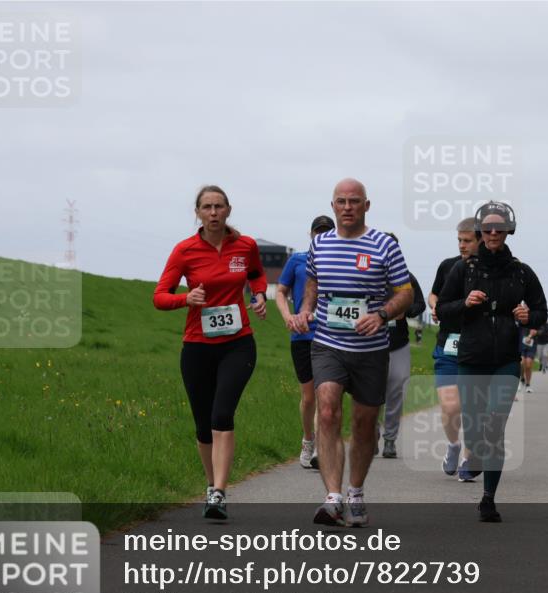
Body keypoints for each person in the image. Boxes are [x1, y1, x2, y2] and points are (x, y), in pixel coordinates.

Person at [289, 178, 413, 527]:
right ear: (332, 206)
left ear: (366, 206)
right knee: (326, 408)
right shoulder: (320, 245)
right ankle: (332, 497)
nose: (347, 207)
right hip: (328, 343)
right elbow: (313, 283)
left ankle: (355, 490)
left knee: (363, 423)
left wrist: (382, 315)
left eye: (354, 201)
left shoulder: (384, 246)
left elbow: (405, 293)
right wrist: (306, 310)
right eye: (341, 201)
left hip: (371, 349)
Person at [153, 185, 268, 520]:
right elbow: (160, 296)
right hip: (197, 347)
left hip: (238, 342)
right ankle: (211, 486)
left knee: (222, 414)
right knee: (203, 424)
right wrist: (184, 299)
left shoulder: (245, 246)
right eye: (207, 207)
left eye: (219, 206)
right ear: (198, 213)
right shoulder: (184, 251)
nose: (214, 212)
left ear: (229, 210)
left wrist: (259, 296)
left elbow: (257, 274)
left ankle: (219, 490)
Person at [436, 201, 547, 521]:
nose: (494, 233)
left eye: (500, 228)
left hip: (505, 361)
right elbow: (443, 309)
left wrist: (529, 316)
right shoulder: (464, 269)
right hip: (471, 357)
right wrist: (465, 303)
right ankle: (475, 454)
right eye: (488, 228)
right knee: (474, 430)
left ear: (509, 231)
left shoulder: (521, 272)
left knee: (495, 427)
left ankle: (488, 499)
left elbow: (541, 310)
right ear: (481, 232)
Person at [275, 215, 335, 470]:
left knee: (327, 395)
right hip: (303, 335)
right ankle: (307, 440)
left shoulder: (340, 261)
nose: (320, 237)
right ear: (311, 235)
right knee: (309, 396)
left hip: (332, 335)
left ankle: (322, 448)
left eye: (326, 233)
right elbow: (280, 291)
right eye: (317, 233)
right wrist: (287, 316)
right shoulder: (297, 260)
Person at [429, 218, 479, 482]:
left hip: (478, 348)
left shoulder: (490, 271)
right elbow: (434, 294)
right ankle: (453, 445)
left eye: (468, 240)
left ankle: (469, 461)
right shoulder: (448, 266)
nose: (462, 245)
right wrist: (436, 307)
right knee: (450, 407)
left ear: (480, 240)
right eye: (459, 240)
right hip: (448, 345)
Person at [379, 233, 427, 459]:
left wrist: (404, 312)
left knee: (396, 391)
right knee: (370, 393)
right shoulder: (367, 274)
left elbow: (420, 303)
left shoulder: (407, 278)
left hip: (398, 343)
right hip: (370, 343)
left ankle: (390, 439)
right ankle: (370, 436)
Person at [519, 325, 538, 392]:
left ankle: (528, 385)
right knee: (521, 363)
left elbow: (538, 330)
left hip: (531, 346)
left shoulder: (535, 320)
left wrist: (531, 335)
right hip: (520, 345)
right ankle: (522, 378)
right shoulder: (519, 318)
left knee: (528, 364)